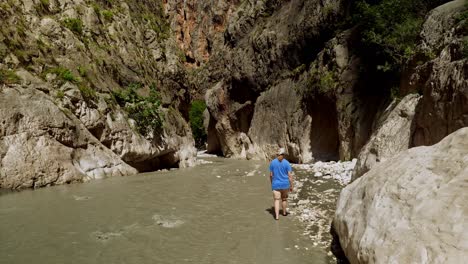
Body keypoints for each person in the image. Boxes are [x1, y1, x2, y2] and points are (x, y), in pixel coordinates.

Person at [269, 149, 293, 220]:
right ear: (283, 155)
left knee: (277, 200)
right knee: (284, 199)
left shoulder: (272, 163)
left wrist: (271, 183)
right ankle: (284, 213)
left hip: (276, 184)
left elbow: (271, 175)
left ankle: (277, 216)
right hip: (285, 184)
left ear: (277, 154)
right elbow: (290, 176)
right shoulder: (287, 163)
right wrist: (291, 185)